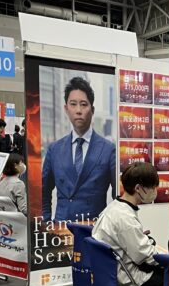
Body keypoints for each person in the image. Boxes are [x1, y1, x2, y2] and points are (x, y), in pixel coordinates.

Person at [41, 77, 116, 222]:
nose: (78, 110)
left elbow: (117, 198)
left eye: (84, 104)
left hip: (94, 229)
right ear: (66, 109)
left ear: (92, 110)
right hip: (61, 228)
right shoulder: (54, 150)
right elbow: (44, 192)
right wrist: (47, 223)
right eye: (73, 104)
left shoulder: (108, 150)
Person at [92, 162, 164, 286]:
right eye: (152, 187)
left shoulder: (115, 207)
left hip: (108, 274)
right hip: (129, 278)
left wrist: (139, 238)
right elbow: (144, 257)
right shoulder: (126, 218)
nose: (155, 191)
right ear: (138, 188)